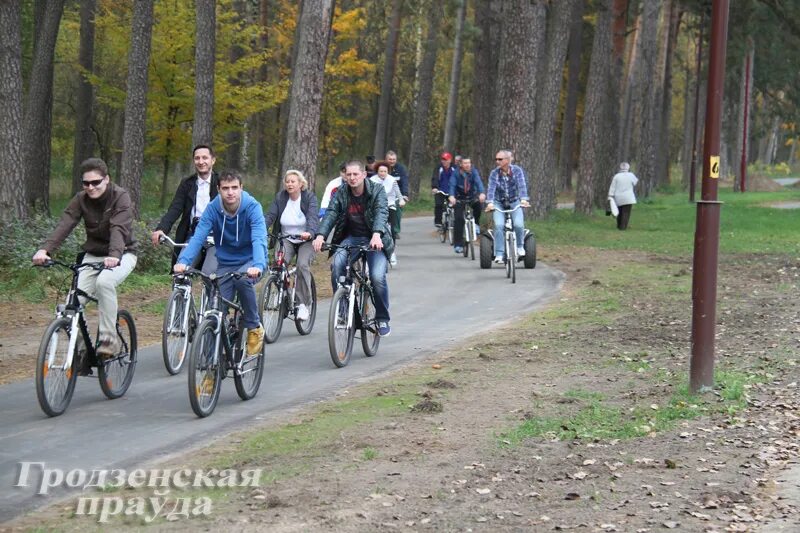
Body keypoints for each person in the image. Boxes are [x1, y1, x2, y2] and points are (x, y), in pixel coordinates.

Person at [32, 158, 138, 358]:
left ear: (106, 179)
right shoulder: (81, 199)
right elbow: (66, 223)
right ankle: (81, 349)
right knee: (72, 304)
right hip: (93, 255)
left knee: (105, 283)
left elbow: (119, 228)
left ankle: (108, 339)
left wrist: (114, 255)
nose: (91, 187)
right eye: (86, 183)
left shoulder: (120, 196)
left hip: (123, 254)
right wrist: (45, 250)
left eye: (95, 182)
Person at [174, 169, 267, 356]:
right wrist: (183, 261)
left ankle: (254, 326)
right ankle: (208, 371)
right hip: (225, 263)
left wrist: (257, 265)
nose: (230, 192)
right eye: (225, 188)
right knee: (215, 313)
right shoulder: (213, 208)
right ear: (219, 189)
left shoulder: (252, 207)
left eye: (234, 187)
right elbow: (199, 236)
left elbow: (259, 238)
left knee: (242, 282)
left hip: (250, 261)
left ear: (241, 188)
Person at [312, 160, 394, 337]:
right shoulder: (342, 192)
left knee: (377, 277)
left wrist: (377, 234)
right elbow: (331, 213)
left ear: (364, 175)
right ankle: (342, 308)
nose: (352, 178)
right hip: (352, 238)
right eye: (348, 174)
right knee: (337, 266)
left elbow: (381, 211)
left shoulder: (376, 190)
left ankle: (382, 318)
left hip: (375, 239)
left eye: (355, 174)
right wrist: (320, 235)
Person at [151, 144, 219, 271]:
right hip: (192, 235)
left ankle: (212, 290)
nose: (201, 161)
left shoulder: (221, 183)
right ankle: (180, 291)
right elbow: (175, 208)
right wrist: (161, 229)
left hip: (216, 236)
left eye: (205, 158)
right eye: (197, 158)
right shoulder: (187, 183)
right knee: (180, 271)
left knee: (210, 274)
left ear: (213, 160)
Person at [264, 170, 319, 321]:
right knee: (278, 265)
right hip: (286, 238)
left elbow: (313, 217)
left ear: (301, 184)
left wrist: (310, 232)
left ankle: (302, 305)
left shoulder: (309, 198)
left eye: (293, 181)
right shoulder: (281, 197)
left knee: (302, 265)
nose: (289, 184)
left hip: (305, 240)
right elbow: (270, 216)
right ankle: (281, 294)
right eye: (287, 181)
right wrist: (260, 229)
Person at [486, 150, 530, 264]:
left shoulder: (517, 171)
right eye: (496, 159)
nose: (497, 161)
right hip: (498, 202)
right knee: (499, 225)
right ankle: (499, 253)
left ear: (507, 160)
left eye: (500, 159)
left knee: (519, 224)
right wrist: (490, 202)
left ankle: (520, 247)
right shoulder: (494, 173)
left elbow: (522, 185)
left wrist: (524, 199)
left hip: (515, 201)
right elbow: (491, 189)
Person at [448, 157, 486, 254]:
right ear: (460, 164)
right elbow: (452, 185)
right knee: (459, 219)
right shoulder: (456, 173)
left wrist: (481, 193)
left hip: (471, 196)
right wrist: (452, 196)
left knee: (478, 205)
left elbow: (478, 182)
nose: (468, 165)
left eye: (469, 162)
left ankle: (476, 224)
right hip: (459, 198)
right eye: (465, 163)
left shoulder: (474, 172)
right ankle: (458, 244)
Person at [371, 161, 405, 266]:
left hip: (390, 204)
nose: (382, 173)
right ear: (377, 171)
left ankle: (391, 252)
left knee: (393, 230)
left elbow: (398, 192)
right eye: (381, 171)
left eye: (385, 171)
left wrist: (401, 200)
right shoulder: (372, 180)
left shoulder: (392, 180)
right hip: (376, 206)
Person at [385, 150, 409, 237]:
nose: (392, 161)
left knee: (398, 208)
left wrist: (405, 195)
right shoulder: (382, 168)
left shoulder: (401, 169)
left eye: (393, 159)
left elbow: (404, 182)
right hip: (383, 194)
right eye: (390, 159)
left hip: (396, 195)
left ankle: (395, 230)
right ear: (386, 159)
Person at [608, 162, 638, 230]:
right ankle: (623, 226)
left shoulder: (616, 176)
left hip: (618, 197)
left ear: (620, 168)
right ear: (628, 168)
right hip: (628, 197)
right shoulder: (631, 175)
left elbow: (612, 187)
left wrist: (610, 195)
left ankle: (619, 225)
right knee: (626, 212)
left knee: (619, 211)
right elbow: (635, 182)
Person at [430, 152, 456, 227]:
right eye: (442, 159)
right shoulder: (439, 167)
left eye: (445, 159)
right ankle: (438, 221)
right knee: (438, 204)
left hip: (451, 191)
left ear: (450, 160)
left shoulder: (454, 168)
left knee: (455, 205)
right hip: (440, 190)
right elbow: (435, 177)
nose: (443, 161)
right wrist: (434, 187)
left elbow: (458, 179)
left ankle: (455, 222)